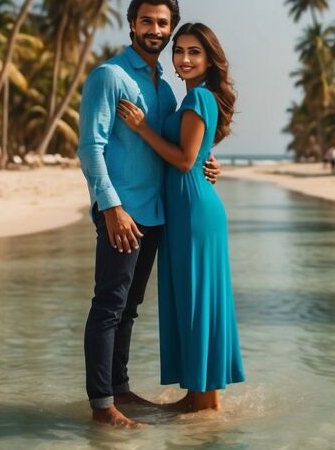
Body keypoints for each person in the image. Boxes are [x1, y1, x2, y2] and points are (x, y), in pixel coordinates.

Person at [77, 0, 220, 428]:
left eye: (162, 24)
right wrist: (110, 208)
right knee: (109, 305)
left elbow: (174, 148)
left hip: (157, 215)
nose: (154, 30)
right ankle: (102, 406)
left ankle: (119, 387)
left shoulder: (164, 91)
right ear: (132, 24)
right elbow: (90, 148)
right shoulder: (110, 76)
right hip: (124, 213)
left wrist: (204, 163)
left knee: (129, 308)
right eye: (146, 22)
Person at [117, 22, 245, 412]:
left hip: (193, 212)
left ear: (209, 59)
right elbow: (198, 152)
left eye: (195, 52)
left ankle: (203, 406)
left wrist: (141, 128)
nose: (185, 59)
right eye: (180, 51)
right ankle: (199, 399)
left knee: (196, 301)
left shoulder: (198, 99)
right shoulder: (189, 98)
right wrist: (209, 160)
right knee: (194, 301)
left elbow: (185, 159)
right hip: (189, 208)